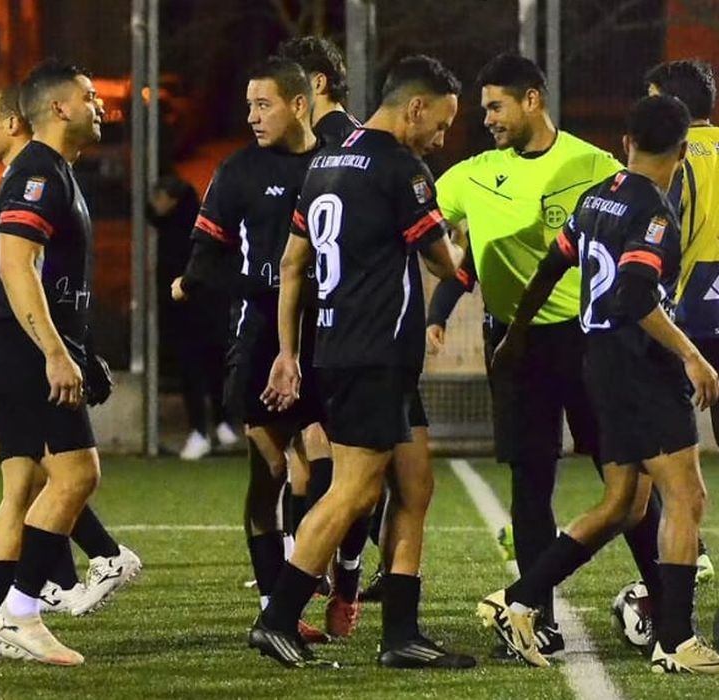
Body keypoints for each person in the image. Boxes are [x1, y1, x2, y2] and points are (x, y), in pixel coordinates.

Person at [424, 52, 670, 655]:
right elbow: (424, 223)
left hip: (588, 341)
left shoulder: (592, 165)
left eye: (496, 106)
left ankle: (667, 604)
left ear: (532, 99)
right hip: (515, 343)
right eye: (484, 109)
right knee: (531, 481)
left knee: (629, 479)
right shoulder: (471, 174)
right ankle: (539, 620)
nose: (487, 119)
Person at [480, 94, 719, 673]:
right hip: (640, 371)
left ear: (624, 144)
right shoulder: (656, 213)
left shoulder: (596, 199)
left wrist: (516, 331)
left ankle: (515, 600)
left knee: (623, 503)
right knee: (687, 497)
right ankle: (676, 642)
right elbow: (635, 296)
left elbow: (552, 263)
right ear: (682, 152)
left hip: (600, 366)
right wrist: (692, 355)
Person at [252, 54, 475, 670]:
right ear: (416, 107)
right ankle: (277, 617)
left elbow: (294, 263)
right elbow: (444, 264)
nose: (442, 136)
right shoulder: (401, 169)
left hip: (350, 348)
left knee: (415, 484)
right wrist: (472, 238)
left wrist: (290, 351)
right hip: (374, 352)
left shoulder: (326, 161)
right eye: (442, 122)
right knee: (353, 491)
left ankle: (401, 633)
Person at [0, 59, 138, 666]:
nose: (100, 106)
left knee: (33, 483)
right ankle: (19, 615)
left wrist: (77, 350)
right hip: (19, 352)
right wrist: (56, 352)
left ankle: (2, 620)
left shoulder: (51, 170)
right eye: (90, 97)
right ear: (59, 108)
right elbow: (17, 265)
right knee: (76, 476)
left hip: (11, 350)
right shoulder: (39, 170)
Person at [172, 57, 328, 644]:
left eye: (264, 104)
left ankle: (325, 573)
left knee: (336, 472)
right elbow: (203, 260)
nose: (252, 116)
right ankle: (274, 601)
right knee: (268, 473)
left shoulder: (335, 166)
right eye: (248, 105)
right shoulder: (237, 171)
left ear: (299, 104)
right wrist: (260, 288)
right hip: (260, 339)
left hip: (331, 337)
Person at [645, 59, 719, 585]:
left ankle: (684, 558)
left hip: (682, 328)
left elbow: (659, 240)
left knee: (663, 462)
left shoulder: (676, 161)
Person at [147, 175, 237, 459]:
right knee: (213, 368)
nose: (154, 204)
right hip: (208, 312)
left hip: (191, 312)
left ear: (171, 199)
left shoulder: (181, 231)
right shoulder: (195, 221)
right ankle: (220, 426)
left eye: (158, 197)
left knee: (196, 372)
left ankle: (202, 431)